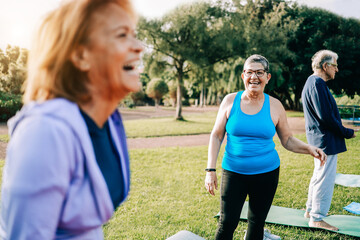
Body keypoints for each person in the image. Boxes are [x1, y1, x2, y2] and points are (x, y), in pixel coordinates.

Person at [0, 0, 143, 239]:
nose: (139, 47)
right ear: (80, 55)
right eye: (122, 35)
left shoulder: (109, 122)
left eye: (134, 35)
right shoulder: (44, 132)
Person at [204, 54, 327, 240]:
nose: (254, 77)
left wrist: (308, 148)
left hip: (266, 174)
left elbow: (287, 139)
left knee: (257, 223)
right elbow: (216, 135)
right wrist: (210, 169)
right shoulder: (230, 101)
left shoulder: (275, 106)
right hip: (233, 172)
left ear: (267, 77)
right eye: (250, 72)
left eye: (259, 72)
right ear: (243, 75)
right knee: (227, 222)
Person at [301, 50, 358, 231]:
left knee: (319, 176)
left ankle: (310, 211)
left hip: (320, 140)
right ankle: (317, 217)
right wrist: (348, 132)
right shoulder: (316, 83)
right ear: (325, 66)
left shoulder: (314, 82)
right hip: (325, 141)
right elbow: (326, 117)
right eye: (334, 65)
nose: (337, 69)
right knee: (325, 179)